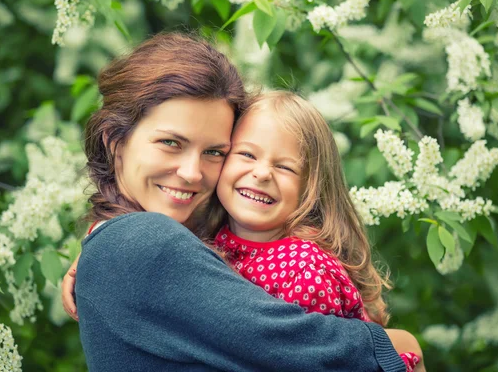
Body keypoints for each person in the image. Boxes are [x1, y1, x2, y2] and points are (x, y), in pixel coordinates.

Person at [66, 32, 424, 371]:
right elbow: (316, 354)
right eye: (170, 143)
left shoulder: (158, 243)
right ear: (115, 141)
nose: (192, 173)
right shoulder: (141, 243)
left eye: (214, 151)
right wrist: (403, 343)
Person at [208, 91, 420, 370]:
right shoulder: (211, 236)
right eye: (247, 154)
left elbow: (317, 361)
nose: (261, 173)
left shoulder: (304, 268)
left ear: (311, 189)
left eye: (284, 167)